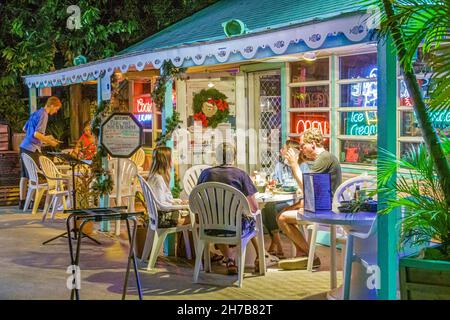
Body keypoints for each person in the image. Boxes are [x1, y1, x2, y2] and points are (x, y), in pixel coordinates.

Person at [277, 128, 342, 270]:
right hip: (321, 205)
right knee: (286, 211)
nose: (301, 149)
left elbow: (307, 188)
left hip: (324, 209)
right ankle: (302, 254)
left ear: (313, 144)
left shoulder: (324, 158)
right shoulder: (324, 158)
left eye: (303, 146)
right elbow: (310, 191)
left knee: (282, 217)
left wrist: (294, 164)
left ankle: (311, 256)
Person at [197, 142, 261, 275]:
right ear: (234, 157)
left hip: (210, 227)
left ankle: (230, 259)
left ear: (216, 157)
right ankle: (260, 257)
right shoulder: (241, 175)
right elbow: (254, 208)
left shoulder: (205, 174)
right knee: (253, 220)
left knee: (219, 219)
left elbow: (198, 200)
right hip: (236, 228)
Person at [262, 140, 310, 259]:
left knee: (275, 210)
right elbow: (274, 183)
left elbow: (307, 187)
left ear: (291, 153)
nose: (281, 151)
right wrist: (271, 184)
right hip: (280, 198)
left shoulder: (303, 166)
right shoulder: (280, 166)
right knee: (266, 208)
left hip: (295, 201)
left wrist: (300, 189)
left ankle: (276, 244)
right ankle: (277, 242)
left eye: (283, 149)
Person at [19, 96, 62, 210]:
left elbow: (25, 128)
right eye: (56, 109)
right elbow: (36, 134)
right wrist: (50, 142)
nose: (55, 111)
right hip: (32, 148)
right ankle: (34, 202)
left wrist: (46, 137)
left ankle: (23, 202)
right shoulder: (44, 115)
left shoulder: (37, 112)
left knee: (24, 176)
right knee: (35, 176)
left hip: (24, 147)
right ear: (52, 105)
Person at [147, 146, 191, 228]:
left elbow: (162, 200)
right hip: (162, 219)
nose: (173, 161)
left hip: (158, 217)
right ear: (166, 161)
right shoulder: (158, 179)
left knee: (194, 214)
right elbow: (161, 205)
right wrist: (181, 206)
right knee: (197, 217)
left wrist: (178, 202)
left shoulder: (154, 176)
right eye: (172, 158)